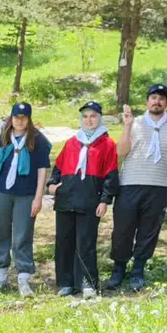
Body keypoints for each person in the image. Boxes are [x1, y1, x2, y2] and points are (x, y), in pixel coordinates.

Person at [108, 84, 167, 292]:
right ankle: (119, 269)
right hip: (130, 184)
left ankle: (138, 270)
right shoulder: (135, 123)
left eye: (161, 98)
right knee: (123, 229)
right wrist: (126, 126)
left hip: (159, 186)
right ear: (147, 102)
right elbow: (120, 152)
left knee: (149, 230)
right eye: (153, 98)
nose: (157, 102)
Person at [48, 102, 118, 298]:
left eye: (93, 116)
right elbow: (58, 168)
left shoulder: (107, 144)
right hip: (66, 200)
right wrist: (52, 185)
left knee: (85, 243)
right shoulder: (71, 142)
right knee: (64, 242)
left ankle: (87, 282)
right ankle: (66, 282)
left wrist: (104, 200)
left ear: (100, 119)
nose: (89, 120)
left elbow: (111, 175)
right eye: (85, 116)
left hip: (90, 200)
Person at [0, 102, 51, 297]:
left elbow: (42, 171)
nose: (19, 121)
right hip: (1, 193)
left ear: (29, 119)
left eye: (24, 117)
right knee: (0, 233)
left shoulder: (37, 140)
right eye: (16, 117)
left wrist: (38, 197)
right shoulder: (1, 139)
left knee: (23, 235)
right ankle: (1, 277)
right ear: (11, 119)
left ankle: (23, 279)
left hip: (26, 195)